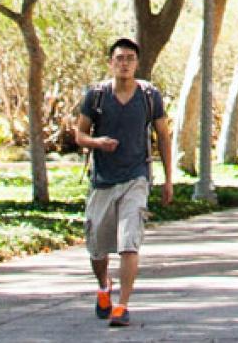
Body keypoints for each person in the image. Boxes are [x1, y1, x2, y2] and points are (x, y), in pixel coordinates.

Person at [74, 38, 175, 328]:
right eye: (119, 58)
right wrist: (97, 142)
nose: (124, 63)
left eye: (130, 58)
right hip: (103, 181)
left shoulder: (149, 95)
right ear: (111, 62)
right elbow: (79, 134)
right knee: (96, 248)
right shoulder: (95, 96)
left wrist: (168, 180)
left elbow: (163, 136)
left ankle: (123, 305)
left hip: (136, 179)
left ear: (137, 63)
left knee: (129, 243)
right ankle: (104, 287)